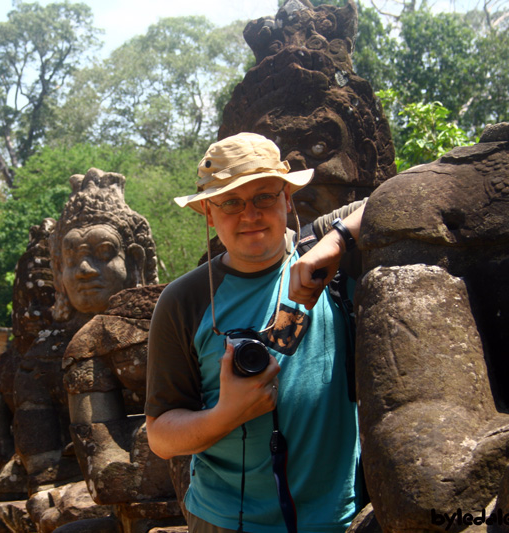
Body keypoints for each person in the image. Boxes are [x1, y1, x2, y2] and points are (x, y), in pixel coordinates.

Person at [145, 132, 365, 533]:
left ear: (286, 199)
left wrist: (336, 241)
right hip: (225, 520)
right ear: (208, 214)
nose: (250, 214)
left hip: (341, 515)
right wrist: (226, 415)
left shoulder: (329, 261)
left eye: (264, 196)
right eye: (230, 201)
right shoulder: (183, 301)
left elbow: (407, 196)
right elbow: (160, 435)